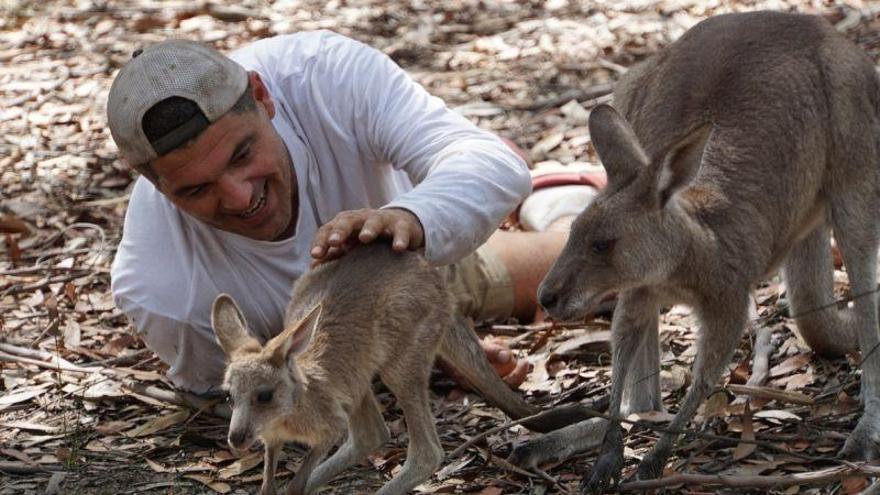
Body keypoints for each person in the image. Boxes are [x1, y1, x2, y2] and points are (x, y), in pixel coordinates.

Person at [106, 31, 597, 395]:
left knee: (575, 262)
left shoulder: (319, 75)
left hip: (407, 254)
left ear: (262, 96)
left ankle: (559, 193)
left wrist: (412, 218)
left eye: (241, 155)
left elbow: (493, 163)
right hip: (352, 328)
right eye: (197, 189)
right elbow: (261, 400)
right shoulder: (167, 294)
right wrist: (410, 359)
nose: (238, 198)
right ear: (153, 185)